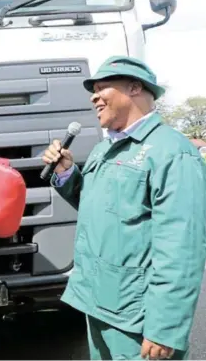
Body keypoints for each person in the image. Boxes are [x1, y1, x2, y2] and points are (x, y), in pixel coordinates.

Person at [42, 56, 206, 360]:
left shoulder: (172, 153)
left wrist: (164, 327)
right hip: (98, 303)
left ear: (134, 88)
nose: (93, 96)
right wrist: (66, 172)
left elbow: (182, 249)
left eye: (103, 87)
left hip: (138, 319)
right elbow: (97, 208)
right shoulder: (104, 149)